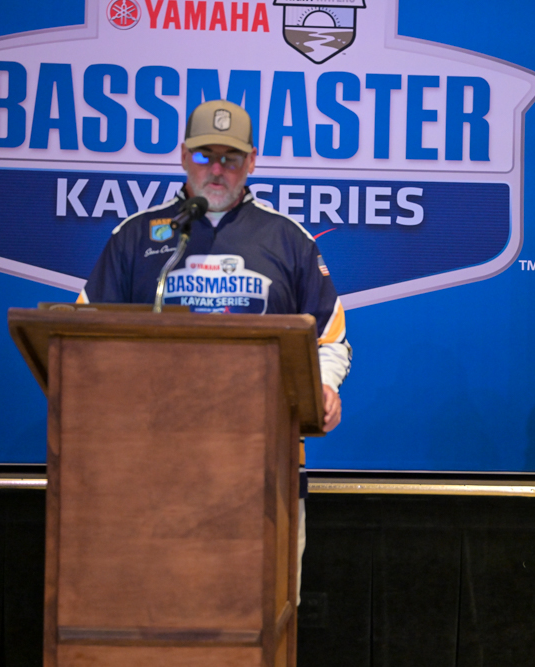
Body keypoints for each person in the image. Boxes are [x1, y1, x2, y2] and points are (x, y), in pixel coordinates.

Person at [78, 99, 351, 601]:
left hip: (263, 468)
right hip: (149, 467)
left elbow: (329, 340)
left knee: (263, 610)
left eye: (231, 157)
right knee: (153, 608)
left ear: (253, 162)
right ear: (184, 156)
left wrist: (325, 386)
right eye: (205, 156)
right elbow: (84, 339)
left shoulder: (288, 240)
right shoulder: (136, 236)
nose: (217, 169)